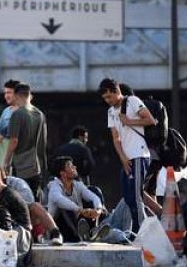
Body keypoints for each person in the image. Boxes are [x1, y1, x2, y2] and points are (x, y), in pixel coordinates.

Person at [98, 78, 156, 232]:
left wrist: (129, 121)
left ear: (117, 91)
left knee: (136, 196)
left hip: (139, 154)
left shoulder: (132, 101)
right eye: (104, 98)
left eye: (109, 97)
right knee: (128, 196)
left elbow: (150, 120)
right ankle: (142, 227)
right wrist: (123, 158)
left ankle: (140, 231)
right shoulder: (110, 112)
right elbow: (115, 138)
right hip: (127, 158)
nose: (107, 101)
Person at [47, 156, 107, 242]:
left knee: (94, 190)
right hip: (61, 229)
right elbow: (58, 199)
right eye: (70, 166)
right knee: (65, 208)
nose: (74, 167)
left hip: (78, 223)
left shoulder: (77, 184)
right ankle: (80, 236)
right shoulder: (54, 186)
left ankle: (94, 230)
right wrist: (80, 210)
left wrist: (98, 210)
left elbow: (94, 197)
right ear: (62, 173)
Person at [3, 83, 47, 198]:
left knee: (22, 201)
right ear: (29, 95)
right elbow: (43, 142)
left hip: (22, 166)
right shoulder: (40, 114)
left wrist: (6, 162)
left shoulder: (17, 114)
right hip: (37, 166)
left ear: (16, 96)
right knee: (35, 201)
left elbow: (14, 141)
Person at [0, 79, 21, 167]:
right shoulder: (6, 111)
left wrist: (7, 162)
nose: (6, 96)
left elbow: (14, 139)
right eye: (5, 93)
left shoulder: (23, 112)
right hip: (0, 163)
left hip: (13, 164)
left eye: (9, 93)